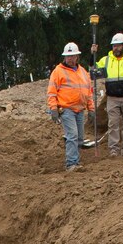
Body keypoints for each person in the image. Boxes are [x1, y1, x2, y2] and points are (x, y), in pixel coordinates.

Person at [47, 42, 95, 172]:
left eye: (73, 56)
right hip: (67, 109)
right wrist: (53, 108)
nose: (70, 58)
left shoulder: (83, 72)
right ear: (64, 57)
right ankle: (71, 163)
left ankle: (76, 161)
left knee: (79, 137)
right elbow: (52, 92)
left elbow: (88, 92)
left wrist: (91, 109)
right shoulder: (58, 72)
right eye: (68, 56)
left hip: (80, 109)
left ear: (77, 57)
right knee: (72, 135)